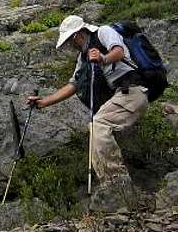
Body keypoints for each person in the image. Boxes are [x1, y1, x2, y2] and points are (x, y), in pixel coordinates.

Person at [27, 15, 148, 189]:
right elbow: (74, 84)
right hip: (121, 96)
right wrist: (44, 102)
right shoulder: (83, 58)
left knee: (99, 123)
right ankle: (112, 183)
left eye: (69, 41)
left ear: (77, 35)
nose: (70, 46)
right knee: (96, 126)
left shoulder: (104, 32)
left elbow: (119, 51)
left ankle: (116, 184)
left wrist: (102, 59)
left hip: (132, 92)